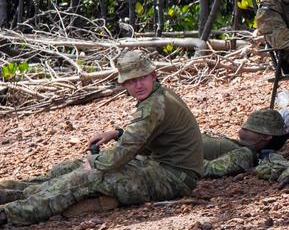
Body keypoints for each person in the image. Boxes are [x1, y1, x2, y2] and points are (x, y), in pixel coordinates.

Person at [0, 51, 202, 226]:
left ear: (153, 75)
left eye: (142, 78)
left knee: (89, 176)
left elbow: (121, 155)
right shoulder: (157, 96)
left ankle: (10, 213)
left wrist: (94, 162)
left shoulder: (153, 106)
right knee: (67, 169)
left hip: (175, 178)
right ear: (124, 84)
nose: (138, 85)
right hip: (160, 166)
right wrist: (117, 134)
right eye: (132, 80)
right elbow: (142, 136)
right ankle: (15, 194)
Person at [201, 109, 289, 179]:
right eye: (244, 128)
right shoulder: (240, 147)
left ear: (266, 137)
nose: (239, 131)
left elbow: (209, 169)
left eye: (248, 129)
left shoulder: (245, 154)